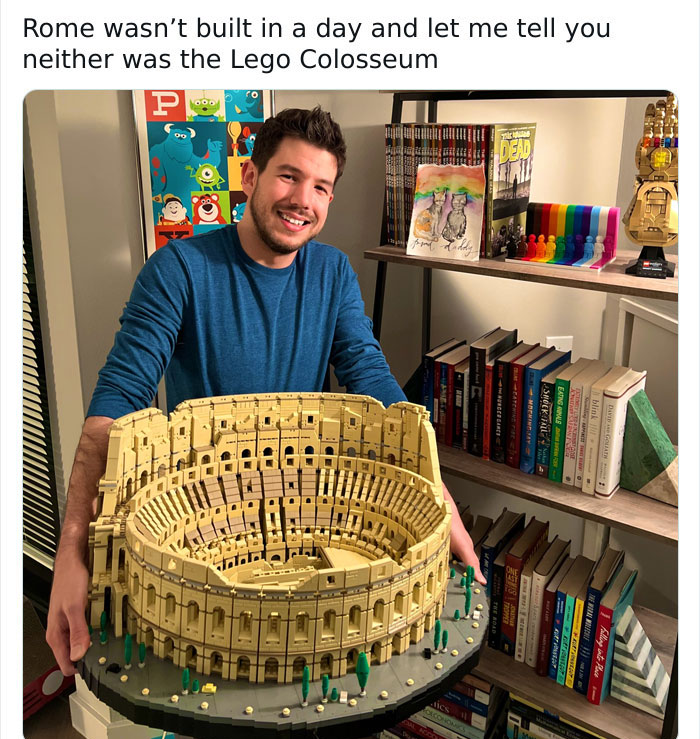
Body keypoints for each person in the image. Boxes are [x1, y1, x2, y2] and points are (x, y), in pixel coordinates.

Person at [46, 107, 484, 676]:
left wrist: (439, 498)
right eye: (288, 176)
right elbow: (118, 399)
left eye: (320, 186)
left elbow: (373, 381)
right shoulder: (177, 269)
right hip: (205, 520)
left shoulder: (333, 274)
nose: (302, 199)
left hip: (310, 514)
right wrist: (73, 545)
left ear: (330, 199)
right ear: (251, 177)